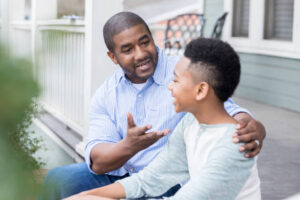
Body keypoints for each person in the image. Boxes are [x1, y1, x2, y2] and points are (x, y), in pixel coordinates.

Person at [39, 11, 266, 199]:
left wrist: (250, 126)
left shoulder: (186, 72)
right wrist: (129, 146)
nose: (140, 54)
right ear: (113, 57)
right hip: (130, 174)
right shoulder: (107, 94)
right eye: (127, 49)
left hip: (173, 184)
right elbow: (102, 164)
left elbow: (222, 109)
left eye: (145, 42)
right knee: (58, 179)